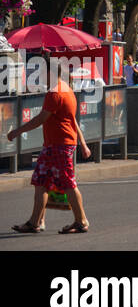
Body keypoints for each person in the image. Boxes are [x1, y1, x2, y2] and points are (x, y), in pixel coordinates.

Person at [8, 54, 92, 234]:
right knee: (40, 181)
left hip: (59, 145)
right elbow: (73, 121)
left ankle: (81, 221)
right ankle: (35, 222)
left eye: (41, 71)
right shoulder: (66, 89)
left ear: (49, 72)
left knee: (68, 183)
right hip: (54, 145)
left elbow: (40, 119)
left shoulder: (55, 93)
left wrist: (17, 131)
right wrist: (83, 144)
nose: (39, 75)